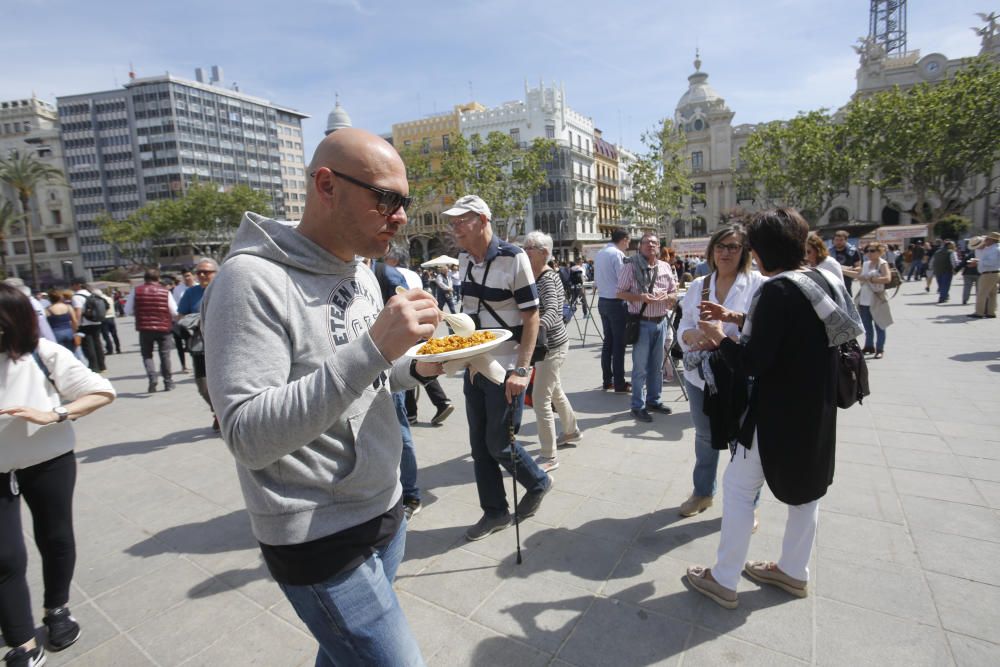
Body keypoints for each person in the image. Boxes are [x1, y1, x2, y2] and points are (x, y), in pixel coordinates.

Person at [202, 128, 437, 666]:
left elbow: (371, 381)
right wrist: (374, 346)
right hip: (316, 532)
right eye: (386, 198)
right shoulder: (250, 280)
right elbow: (246, 435)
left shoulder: (362, 272)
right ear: (327, 186)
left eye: (404, 201)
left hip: (385, 507)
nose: (399, 215)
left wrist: (421, 365)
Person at [685, 208, 862, 609]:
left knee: (737, 487)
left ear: (761, 252)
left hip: (775, 413)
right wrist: (735, 317)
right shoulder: (824, 279)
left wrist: (719, 338)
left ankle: (724, 578)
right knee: (807, 494)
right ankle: (793, 571)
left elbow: (752, 362)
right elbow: (800, 330)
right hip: (817, 407)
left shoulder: (776, 289)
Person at [0, 284, 116, 667]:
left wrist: (56, 414)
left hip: (48, 459)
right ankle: (21, 642)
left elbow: (101, 391)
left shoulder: (42, 354)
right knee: (5, 557)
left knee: (55, 537)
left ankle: (57, 609)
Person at [447, 194, 553, 542]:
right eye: (454, 221)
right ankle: (494, 512)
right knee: (479, 446)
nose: (455, 226)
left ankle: (537, 481)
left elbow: (532, 315)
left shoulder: (514, 257)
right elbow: (471, 311)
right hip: (475, 362)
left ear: (483, 220)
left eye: (462, 220)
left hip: (506, 365)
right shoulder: (464, 258)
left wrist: (522, 370)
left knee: (498, 442)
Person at [676, 224, 766, 518]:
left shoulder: (757, 284)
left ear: (744, 252)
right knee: (704, 437)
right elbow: (684, 326)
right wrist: (691, 337)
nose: (726, 252)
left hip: (740, 376)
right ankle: (703, 493)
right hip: (701, 377)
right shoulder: (698, 284)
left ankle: (747, 506)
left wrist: (723, 334)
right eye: (721, 246)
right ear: (712, 250)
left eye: (733, 247)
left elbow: (763, 328)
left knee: (742, 442)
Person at [521, 231, 582, 472]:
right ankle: (572, 431)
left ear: (544, 253)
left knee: (540, 400)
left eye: (529, 247)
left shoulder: (548, 278)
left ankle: (549, 455)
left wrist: (531, 331)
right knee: (554, 390)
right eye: (524, 247)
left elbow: (554, 312)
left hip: (551, 346)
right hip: (544, 346)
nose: (524, 251)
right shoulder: (531, 274)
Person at [386, 246, 454, 427]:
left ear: (392, 260)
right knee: (419, 365)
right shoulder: (413, 275)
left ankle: (411, 414)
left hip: (405, 327)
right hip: (423, 324)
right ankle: (441, 402)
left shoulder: (389, 274)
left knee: (406, 366)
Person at [616, 232, 678, 422]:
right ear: (640, 247)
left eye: (654, 242)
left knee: (657, 367)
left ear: (659, 246)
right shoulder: (631, 266)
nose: (650, 245)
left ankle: (654, 401)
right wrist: (641, 298)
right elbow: (620, 293)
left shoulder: (666, 266)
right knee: (640, 368)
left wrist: (667, 297)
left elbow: (674, 292)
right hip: (642, 322)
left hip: (661, 321)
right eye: (646, 242)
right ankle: (637, 405)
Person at [177, 258, 220, 430]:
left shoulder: (225, 289)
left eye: (207, 272)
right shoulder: (190, 293)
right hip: (200, 345)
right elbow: (180, 316)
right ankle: (218, 411)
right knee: (203, 385)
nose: (202, 275)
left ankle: (223, 414)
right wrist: (194, 321)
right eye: (199, 272)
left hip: (225, 345)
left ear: (216, 273)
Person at [125, 269, 178, 392]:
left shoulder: (136, 291)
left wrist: (138, 313)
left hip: (144, 328)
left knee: (147, 355)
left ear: (145, 278)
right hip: (164, 327)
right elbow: (174, 311)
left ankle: (152, 378)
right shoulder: (165, 291)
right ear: (158, 279)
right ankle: (168, 382)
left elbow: (127, 310)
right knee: (165, 355)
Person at [594, 229, 631, 393]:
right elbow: (624, 280)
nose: (628, 245)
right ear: (624, 239)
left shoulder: (601, 253)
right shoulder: (617, 254)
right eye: (628, 241)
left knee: (607, 343)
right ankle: (620, 382)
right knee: (618, 344)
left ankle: (607, 380)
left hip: (603, 301)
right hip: (616, 302)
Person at [844, 243, 893, 358]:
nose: (869, 253)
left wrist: (871, 279)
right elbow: (857, 274)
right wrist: (841, 270)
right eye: (867, 251)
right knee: (867, 326)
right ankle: (869, 346)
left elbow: (887, 278)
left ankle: (880, 349)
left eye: (872, 251)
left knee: (880, 325)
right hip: (864, 300)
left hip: (877, 299)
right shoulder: (866, 264)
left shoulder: (882, 264)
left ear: (879, 251)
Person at [69, 278, 105, 373]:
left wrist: (76, 324)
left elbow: (78, 311)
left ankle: (94, 366)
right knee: (97, 343)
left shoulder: (76, 296)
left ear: (77, 285)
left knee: (88, 345)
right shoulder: (91, 293)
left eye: (73, 284)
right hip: (96, 321)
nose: (72, 287)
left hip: (85, 323)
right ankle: (102, 365)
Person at [969, 232, 1000, 318]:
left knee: (982, 294)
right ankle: (991, 312)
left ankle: (979, 312)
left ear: (991, 240)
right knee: (992, 294)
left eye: (987, 239)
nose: (985, 241)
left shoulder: (993, 250)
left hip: (988, 273)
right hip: (994, 273)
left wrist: (978, 262)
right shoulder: (994, 248)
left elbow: (991, 262)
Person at [95, 289, 120, 356]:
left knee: (106, 335)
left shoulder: (99, 300)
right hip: (112, 317)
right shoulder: (110, 298)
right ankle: (118, 348)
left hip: (104, 318)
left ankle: (110, 349)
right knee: (114, 334)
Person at [959, 238, 981, 306]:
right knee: (979, 288)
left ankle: (965, 300)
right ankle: (979, 300)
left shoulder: (969, 254)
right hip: (978, 273)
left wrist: (956, 270)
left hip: (967, 273)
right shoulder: (982, 253)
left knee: (967, 287)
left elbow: (963, 263)